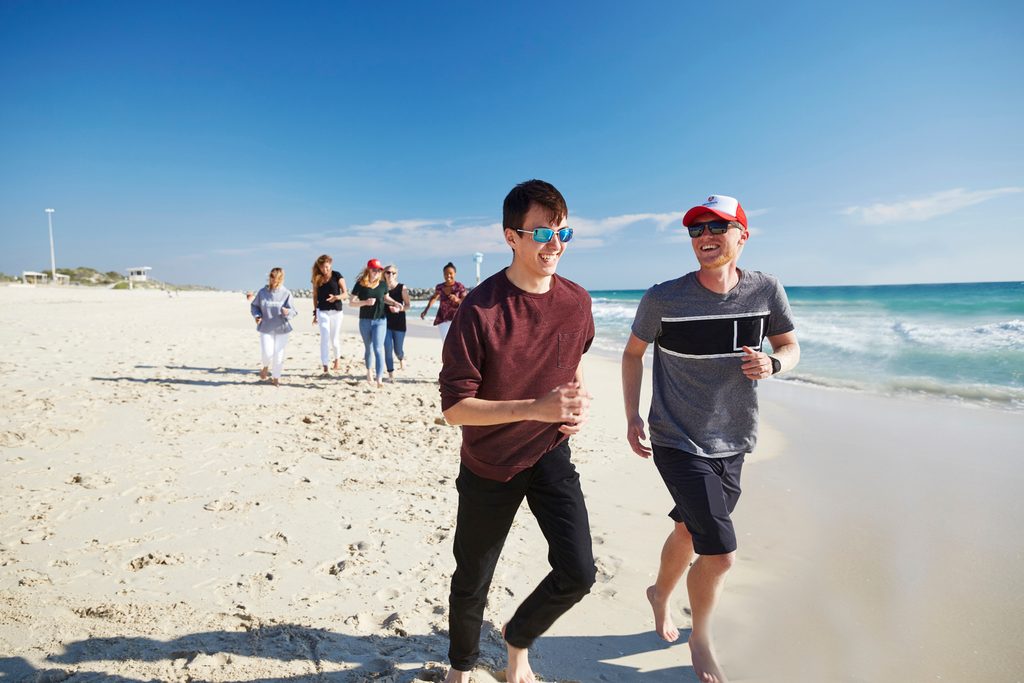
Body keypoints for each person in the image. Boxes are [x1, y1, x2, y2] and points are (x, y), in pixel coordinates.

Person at [621, 194, 800, 683]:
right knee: (719, 553)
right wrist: (632, 415)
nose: (705, 237)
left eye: (717, 227)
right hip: (676, 438)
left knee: (688, 529)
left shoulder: (766, 290)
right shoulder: (664, 298)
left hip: (736, 439)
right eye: (696, 230)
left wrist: (775, 363)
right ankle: (700, 638)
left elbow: (789, 345)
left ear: (743, 235)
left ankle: (659, 593)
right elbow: (633, 353)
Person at [440, 179, 595, 683]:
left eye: (564, 232)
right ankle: (461, 667)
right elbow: (456, 409)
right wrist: (537, 406)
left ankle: (517, 637)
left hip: (551, 455)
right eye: (543, 233)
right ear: (511, 237)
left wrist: (573, 405)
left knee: (578, 573)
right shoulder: (479, 309)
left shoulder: (577, 301)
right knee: (472, 582)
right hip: (490, 464)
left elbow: (573, 365)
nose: (555, 245)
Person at [349, 258, 402, 388]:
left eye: (379, 270)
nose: (377, 273)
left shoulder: (383, 285)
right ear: (368, 270)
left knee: (378, 348)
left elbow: (385, 298)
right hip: (365, 321)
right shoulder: (360, 284)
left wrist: (395, 302)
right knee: (369, 348)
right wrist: (365, 302)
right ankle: (368, 371)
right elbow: (351, 302)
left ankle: (379, 379)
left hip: (380, 320)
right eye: (374, 270)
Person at [250, 267, 297, 387]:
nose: (274, 282)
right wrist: (257, 316)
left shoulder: (286, 293)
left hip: (282, 328)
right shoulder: (262, 292)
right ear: (270, 277)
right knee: (267, 353)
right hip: (266, 328)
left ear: (281, 280)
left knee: (279, 355)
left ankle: (276, 378)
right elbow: (254, 306)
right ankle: (265, 366)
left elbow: (294, 311)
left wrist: (287, 312)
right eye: (272, 278)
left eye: (277, 280)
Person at [311, 254, 349, 375]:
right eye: (322, 267)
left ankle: (337, 360)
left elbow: (346, 294)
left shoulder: (337, 275)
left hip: (336, 312)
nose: (325, 270)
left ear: (330, 264)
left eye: (327, 267)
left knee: (334, 339)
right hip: (322, 311)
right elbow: (315, 296)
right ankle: (325, 365)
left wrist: (336, 297)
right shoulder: (317, 278)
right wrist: (315, 313)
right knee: (324, 337)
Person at [420, 262, 467, 341]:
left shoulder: (459, 286)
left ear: (455, 273)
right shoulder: (440, 287)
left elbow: (466, 300)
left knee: (457, 341)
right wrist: (426, 310)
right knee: (445, 341)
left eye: (450, 273)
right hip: (442, 318)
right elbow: (434, 298)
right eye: (446, 274)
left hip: (456, 318)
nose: (448, 276)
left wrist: (457, 300)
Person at [383, 264, 410, 382]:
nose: (390, 275)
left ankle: (401, 357)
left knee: (397, 349)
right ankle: (391, 373)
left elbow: (408, 305)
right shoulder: (381, 287)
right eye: (388, 272)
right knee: (387, 348)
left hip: (399, 323)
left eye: (393, 273)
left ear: (396, 274)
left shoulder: (401, 288)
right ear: (384, 274)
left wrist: (399, 309)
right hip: (384, 323)